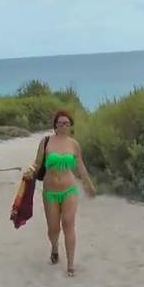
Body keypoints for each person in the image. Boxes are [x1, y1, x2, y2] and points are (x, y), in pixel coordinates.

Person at [23, 110, 96, 277]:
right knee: (53, 229)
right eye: (60, 123)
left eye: (67, 123)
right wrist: (30, 171)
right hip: (50, 192)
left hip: (69, 190)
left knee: (68, 223)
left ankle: (70, 265)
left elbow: (81, 167)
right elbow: (37, 163)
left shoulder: (74, 144)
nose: (63, 125)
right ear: (55, 125)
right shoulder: (46, 142)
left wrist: (89, 185)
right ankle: (55, 247)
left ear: (70, 126)